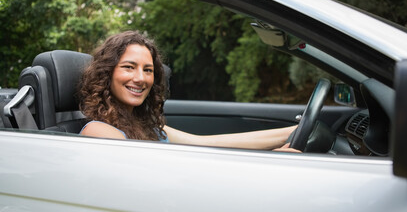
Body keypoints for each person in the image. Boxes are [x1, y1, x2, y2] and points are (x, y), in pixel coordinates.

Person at [79, 31, 300, 152]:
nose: (140, 78)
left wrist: (290, 133)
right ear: (106, 73)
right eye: (129, 67)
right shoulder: (98, 131)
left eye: (148, 70)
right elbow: (155, 176)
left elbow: (205, 143)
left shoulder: (145, 126)